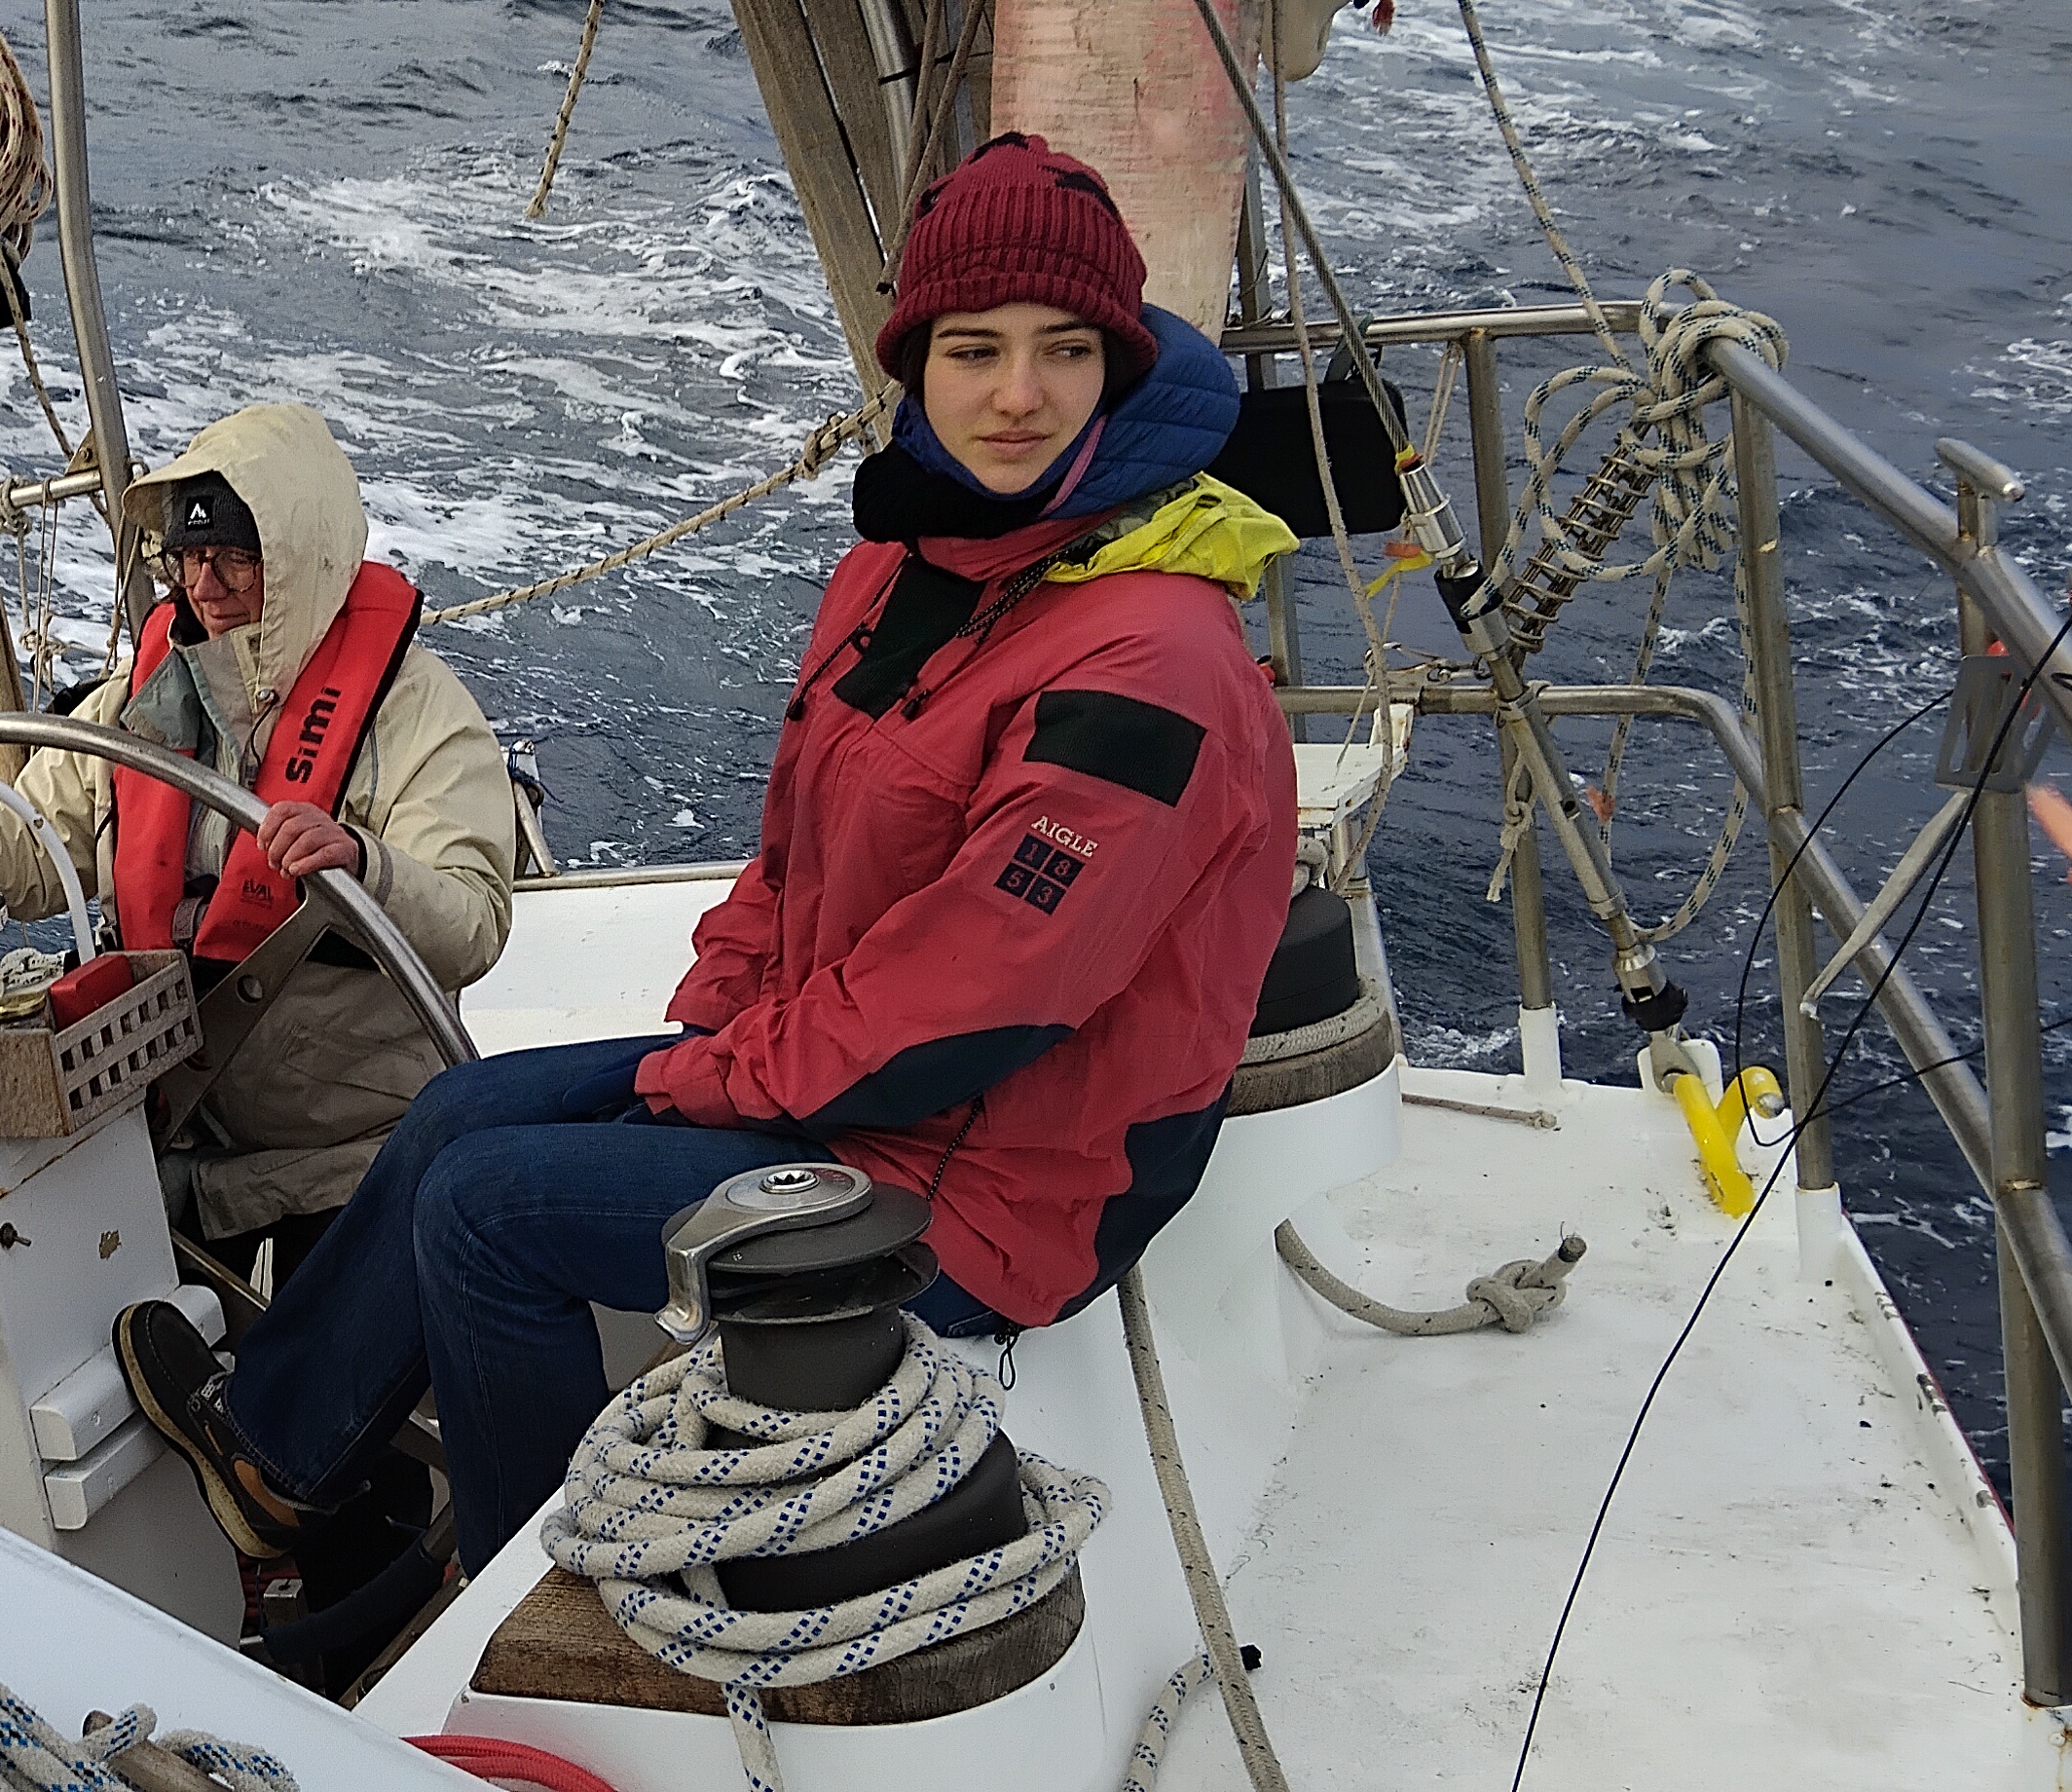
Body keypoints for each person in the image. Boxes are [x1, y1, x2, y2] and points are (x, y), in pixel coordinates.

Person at [116, 134, 1304, 1571]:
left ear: (1116, 365)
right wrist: (716, 1032)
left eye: (1063, 350)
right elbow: (791, 857)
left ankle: (551, 1596)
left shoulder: (1151, 662)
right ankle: (281, 1461)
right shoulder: (904, 567)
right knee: (458, 1112)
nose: (1016, 394)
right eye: (973, 349)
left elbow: (973, 1005)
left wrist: (708, 1085)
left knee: (489, 1212)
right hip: (838, 1087)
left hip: (993, 1181)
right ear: (914, 362)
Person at [0, 402, 520, 1253]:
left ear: (301, 561)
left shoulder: (417, 715)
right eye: (191, 558)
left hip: (352, 1164)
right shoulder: (142, 700)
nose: (206, 587)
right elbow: (27, 843)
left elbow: (473, 924)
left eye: (237, 560)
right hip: (163, 1144)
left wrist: (367, 868)